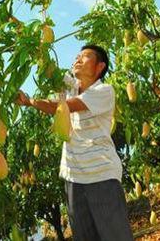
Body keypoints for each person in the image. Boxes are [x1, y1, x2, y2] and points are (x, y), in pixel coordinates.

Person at [15, 45, 134, 241]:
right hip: (73, 178)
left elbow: (62, 107)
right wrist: (24, 31)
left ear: (99, 67)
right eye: (76, 56)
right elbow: (47, 64)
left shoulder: (104, 90)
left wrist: (30, 102)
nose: (77, 59)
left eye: (85, 57)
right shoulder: (70, 87)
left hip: (102, 176)